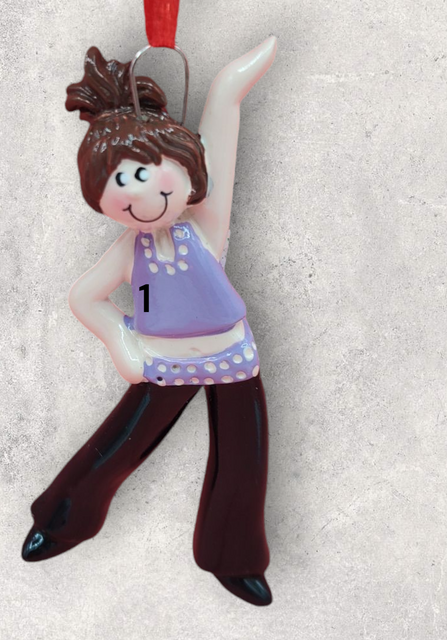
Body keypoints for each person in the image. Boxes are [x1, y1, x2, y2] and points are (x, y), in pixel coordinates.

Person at [22, 38, 278, 607]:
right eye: (119, 181)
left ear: (185, 169)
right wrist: (124, 341)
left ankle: (234, 556)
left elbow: (221, 130)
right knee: (119, 445)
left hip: (232, 354)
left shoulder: (205, 228)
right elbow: (85, 298)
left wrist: (228, 87)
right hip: (163, 359)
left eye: (145, 172)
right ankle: (63, 520)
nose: (138, 193)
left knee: (245, 459)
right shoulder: (129, 252)